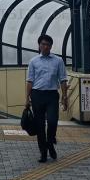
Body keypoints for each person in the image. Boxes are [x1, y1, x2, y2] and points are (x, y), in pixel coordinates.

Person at [25, 34, 68, 163]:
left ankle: (50, 142)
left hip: (52, 95)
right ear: (39, 45)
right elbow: (29, 81)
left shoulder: (58, 61)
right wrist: (27, 98)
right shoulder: (33, 61)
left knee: (52, 121)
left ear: (51, 46)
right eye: (43, 44)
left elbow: (63, 79)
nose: (45, 46)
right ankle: (43, 152)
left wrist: (65, 97)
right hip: (37, 94)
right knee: (39, 125)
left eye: (48, 45)